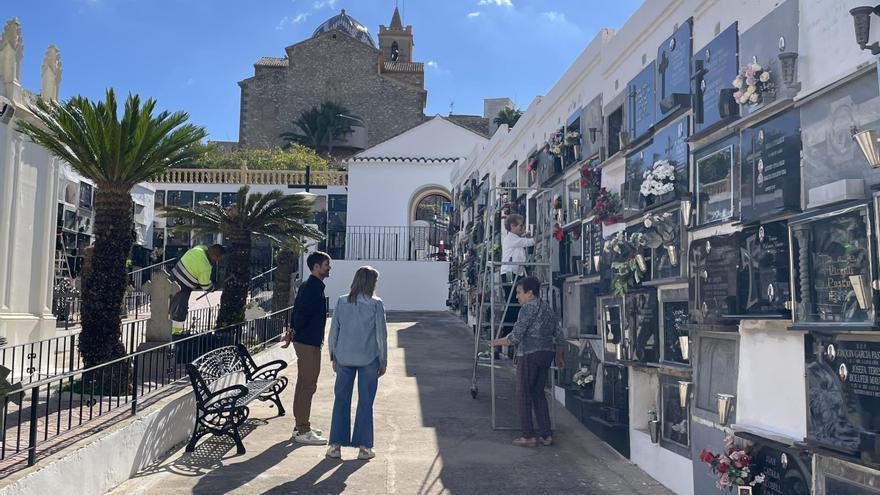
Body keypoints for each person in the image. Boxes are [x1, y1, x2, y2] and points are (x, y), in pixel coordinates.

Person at [491, 276, 564, 447]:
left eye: (519, 292)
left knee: (523, 394)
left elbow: (515, 337)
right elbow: (559, 336)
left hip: (530, 354)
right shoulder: (548, 308)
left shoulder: (526, 309)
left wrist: (496, 342)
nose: (517, 296)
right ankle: (546, 435)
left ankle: (529, 436)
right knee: (538, 393)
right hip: (547, 354)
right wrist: (560, 357)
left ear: (530, 293)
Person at [325, 266, 388, 461]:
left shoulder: (342, 302)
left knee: (341, 399)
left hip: (343, 357)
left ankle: (335, 446)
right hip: (368, 358)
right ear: (371, 283)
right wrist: (383, 359)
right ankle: (364, 447)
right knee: (365, 401)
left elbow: (333, 332)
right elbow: (381, 335)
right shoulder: (376, 304)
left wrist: (333, 356)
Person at [290, 251, 332, 445]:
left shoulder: (311, 286)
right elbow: (302, 313)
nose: (329, 267)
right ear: (316, 267)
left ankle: (300, 425)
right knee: (308, 385)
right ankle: (303, 430)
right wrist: (293, 331)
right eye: (326, 264)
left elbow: (297, 310)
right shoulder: (312, 287)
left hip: (307, 340)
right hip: (307, 342)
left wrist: (292, 331)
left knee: (303, 383)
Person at [169, 244, 225, 335]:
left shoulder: (199, 248)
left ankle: (166, 329)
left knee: (169, 306)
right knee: (179, 310)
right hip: (183, 288)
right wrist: (215, 287)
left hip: (171, 278)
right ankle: (175, 333)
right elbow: (205, 286)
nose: (217, 261)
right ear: (214, 255)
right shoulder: (205, 267)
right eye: (218, 258)